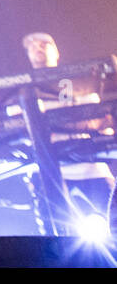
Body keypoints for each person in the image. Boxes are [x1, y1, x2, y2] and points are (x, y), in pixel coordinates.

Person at [20, 31, 116, 221]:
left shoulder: (83, 83)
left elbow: (100, 121)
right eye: (32, 46)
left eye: (43, 44)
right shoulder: (23, 90)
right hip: (49, 174)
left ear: (56, 52)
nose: (37, 48)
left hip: (92, 169)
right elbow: (19, 130)